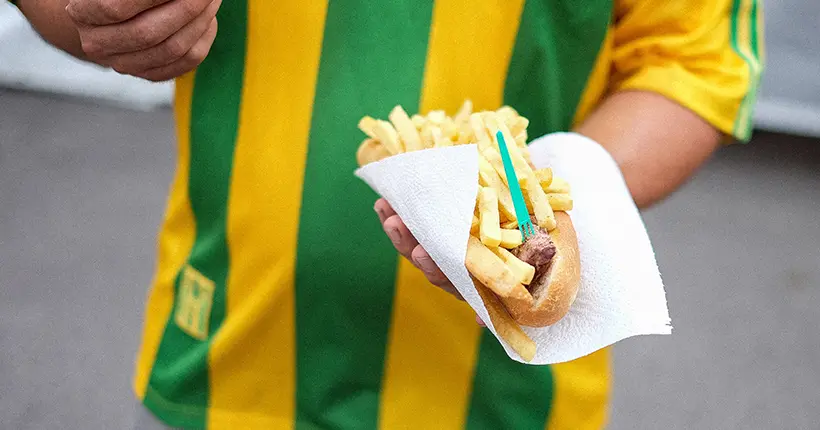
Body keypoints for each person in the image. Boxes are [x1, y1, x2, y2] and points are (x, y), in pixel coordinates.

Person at [13, 0, 763, 428]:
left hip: (508, 404)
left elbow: (694, 60)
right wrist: (98, 14)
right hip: (221, 364)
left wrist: (522, 214)